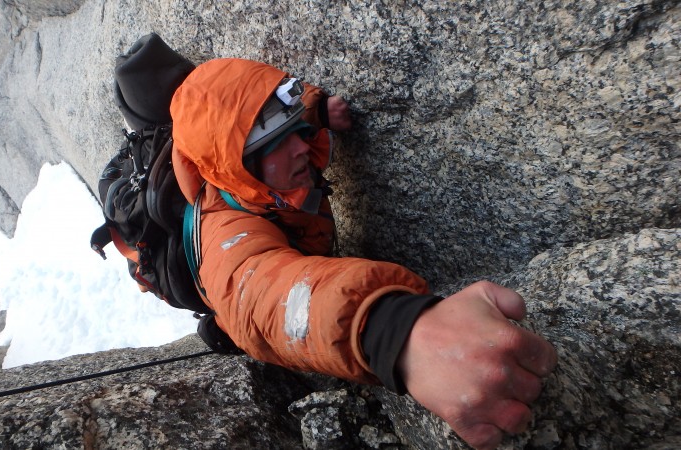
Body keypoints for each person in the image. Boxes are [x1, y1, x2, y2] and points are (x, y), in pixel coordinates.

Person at [170, 58, 557, 450]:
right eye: (277, 143)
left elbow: (283, 107)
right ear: (241, 168)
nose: (302, 146)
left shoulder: (266, 159)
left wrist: (317, 110)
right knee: (233, 319)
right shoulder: (225, 231)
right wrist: (391, 329)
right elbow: (256, 291)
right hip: (238, 284)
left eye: (296, 130)